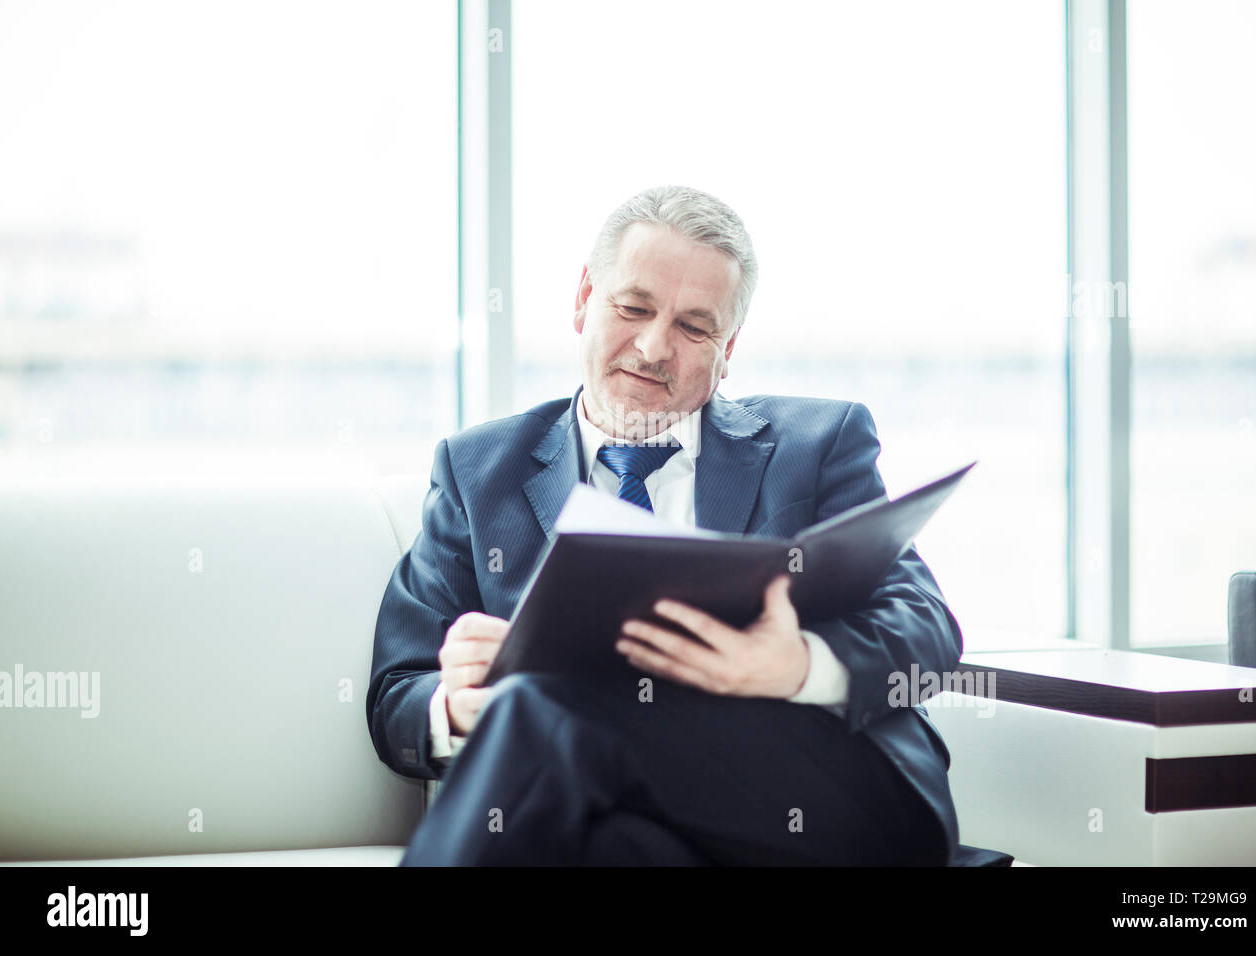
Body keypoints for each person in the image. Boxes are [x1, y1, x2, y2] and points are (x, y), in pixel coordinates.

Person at [366, 185, 963, 865]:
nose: (653, 348)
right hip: (633, 816)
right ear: (584, 298)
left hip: (827, 793)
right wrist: (463, 705)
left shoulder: (818, 445)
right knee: (615, 843)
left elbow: (926, 624)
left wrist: (794, 664)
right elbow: (398, 693)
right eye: (634, 308)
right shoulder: (479, 471)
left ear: (728, 346)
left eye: (693, 327)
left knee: (544, 703)